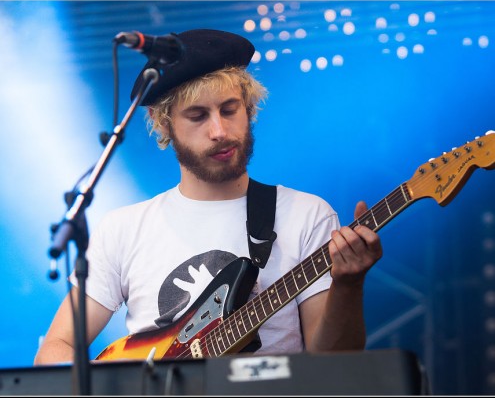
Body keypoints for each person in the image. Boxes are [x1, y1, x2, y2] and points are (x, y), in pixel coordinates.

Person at [34, 29, 382, 365]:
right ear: (163, 121)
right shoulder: (124, 228)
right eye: (198, 116)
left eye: (230, 110)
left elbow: (334, 362)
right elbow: (54, 350)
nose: (219, 132)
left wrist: (349, 285)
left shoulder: (307, 214)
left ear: (248, 108)